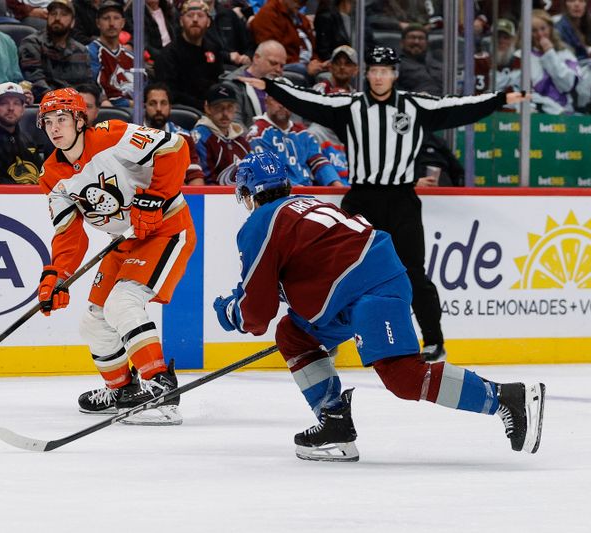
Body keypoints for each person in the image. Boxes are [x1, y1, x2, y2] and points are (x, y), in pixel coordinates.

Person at [213, 150, 546, 461]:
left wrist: (230, 311)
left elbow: (255, 314)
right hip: (359, 289)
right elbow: (308, 272)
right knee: (294, 333)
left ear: (249, 193)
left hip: (369, 291)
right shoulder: (308, 204)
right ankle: (335, 424)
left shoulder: (259, 224)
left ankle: (506, 397)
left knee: (403, 378)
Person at [239, 46, 530, 362]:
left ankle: (433, 340)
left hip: (402, 199)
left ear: (394, 74)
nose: (379, 77)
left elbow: (458, 107)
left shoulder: (414, 105)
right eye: (374, 71)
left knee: (413, 271)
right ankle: (326, 336)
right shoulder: (350, 105)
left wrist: (500, 99)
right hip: (362, 197)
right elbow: (309, 100)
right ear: (367, 74)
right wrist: (271, 86)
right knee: (335, 268)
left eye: (385, 71)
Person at [37, 87, 196, 425]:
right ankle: (123, 391)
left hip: (166, 229)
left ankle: (160, 389)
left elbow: (175, 148)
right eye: (48, 121)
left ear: (80, 120)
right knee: (93, 321)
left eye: (62, 119)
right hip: (122, 241)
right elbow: (69, 233)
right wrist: (57, 275)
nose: (54, 128)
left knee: (121, 304)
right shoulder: (50, 175)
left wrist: (156, 196)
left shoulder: (112, 134)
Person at [247, 92, 347, 187]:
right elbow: (267, 173)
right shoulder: (258, 133)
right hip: (278, 194)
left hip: (308, 192)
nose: (282, 105)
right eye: (276, 99)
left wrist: (336, 185)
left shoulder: (303, 133)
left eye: (286, 100)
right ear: (266, 102)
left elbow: (319, 162)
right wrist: (296, 188)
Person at [153, 0, 224, 111]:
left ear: (208, 22)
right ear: (181, 21)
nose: (195, 20)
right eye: (190, 16)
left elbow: (218, 83)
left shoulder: (213, 49)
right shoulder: (169, 54)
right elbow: (169, 93)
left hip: (212, 110)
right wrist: (203, 106)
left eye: (200, 16)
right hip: (183, 112)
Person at [18, 0, 94, 102]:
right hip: (44, 104)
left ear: (72, 23)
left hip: (75, 105)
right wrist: (59, 101)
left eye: (64, 14)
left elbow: (88, 84)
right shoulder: (32, 43)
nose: (57, 18)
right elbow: (35, 80)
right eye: (53, 14)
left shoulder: (81, 50)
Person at [144, 82, 205, 185]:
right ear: (144, 106)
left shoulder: (183, 137)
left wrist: (193, 197)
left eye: (163, 103)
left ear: (170, 107)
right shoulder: (130, 135)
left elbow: (195, 177)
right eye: (152, 103)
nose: (158, 109)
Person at [521, 9, 580, 115]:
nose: (540, 34)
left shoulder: (565, 54)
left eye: (543, 29)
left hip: (565, 113)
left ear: (551, 28)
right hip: (534, 113)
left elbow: (568, 85)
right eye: (534, 30)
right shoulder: (521, 55)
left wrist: (550, 54)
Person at [190, 82, 250, 184]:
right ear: (207, 108)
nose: (225, 114)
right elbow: (204, 180)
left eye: (229, 107)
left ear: (235, 108)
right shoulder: (199, 137)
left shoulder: (241, 139)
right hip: (211, 197)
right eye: (219, 107)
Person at [249, 0, 325, 79]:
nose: (302, 4)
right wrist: (307, 68)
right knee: (301, 69)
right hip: (285, 65)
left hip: (305, 64)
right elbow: (271, 52)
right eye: (299, 1)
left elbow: (313, 50)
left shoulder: (301, 19)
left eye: (304, 2)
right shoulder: (269, 13)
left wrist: (318, 63)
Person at [221, 39, 287, 128]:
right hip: (252, 139)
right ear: (256, 58)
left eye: (282, 66)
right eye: (273, 63)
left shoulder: (284, 85)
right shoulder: (232, 85)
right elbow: (235, 125)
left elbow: (296, 120)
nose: (278, 69)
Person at [87, 0, 133, 107]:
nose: (112, 24)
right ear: (98, 23)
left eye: (116, 18)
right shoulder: (89, 52)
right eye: (106, 18)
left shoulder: (131, 57)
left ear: (123, 23)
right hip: (108, 110)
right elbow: (95, 87)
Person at [397, 23, 443, 95]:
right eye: (412, 37)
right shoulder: (397, 64)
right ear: (402, 42)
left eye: (421, 38)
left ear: (427, 43)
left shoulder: (437, 62)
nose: (416, 42)